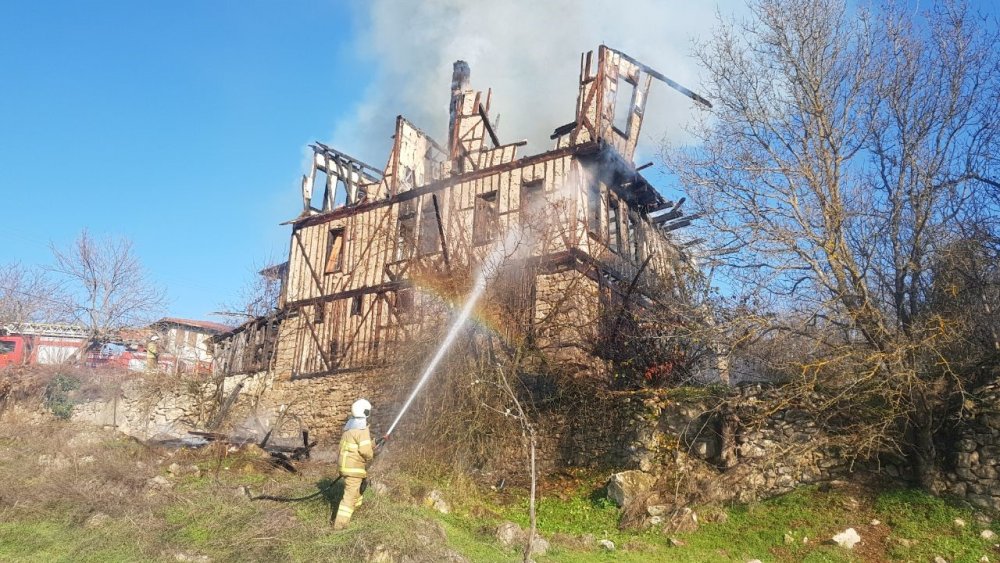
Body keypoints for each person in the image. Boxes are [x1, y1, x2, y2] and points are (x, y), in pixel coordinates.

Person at [333, 398, 374, 530]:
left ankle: (358, 513)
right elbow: (365, 450)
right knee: (349, 498)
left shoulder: (349, 428)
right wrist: (371, 456)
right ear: (365, 412)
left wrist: (375, 442)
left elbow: (356, 447)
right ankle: (340, 527)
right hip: (354, 468)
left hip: (345, 467)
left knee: (357, 492)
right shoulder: (362, 429)